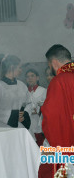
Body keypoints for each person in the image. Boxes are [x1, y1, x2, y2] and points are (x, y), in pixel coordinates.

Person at [40, 44, 74, 177]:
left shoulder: (59, 81)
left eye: (49, 66)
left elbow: (51, 116)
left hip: (67, 145)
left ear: (53, 62)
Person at [0, 54, 31, 129]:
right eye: (19, 67)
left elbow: (29, 102)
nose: (21, 70)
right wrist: (13, 115)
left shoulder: (22, 85)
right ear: (12, 67)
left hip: (21, 126)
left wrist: (24, 114)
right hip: (3, 128)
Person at [24, 69, 46, 146]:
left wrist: (39, 110)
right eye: (27, 77)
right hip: (27, 124)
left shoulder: (43, 91)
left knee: (40, 146)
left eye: (32, 76)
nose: (30, 78)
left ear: (37, 78)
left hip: (39, 123)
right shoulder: (24, 92)